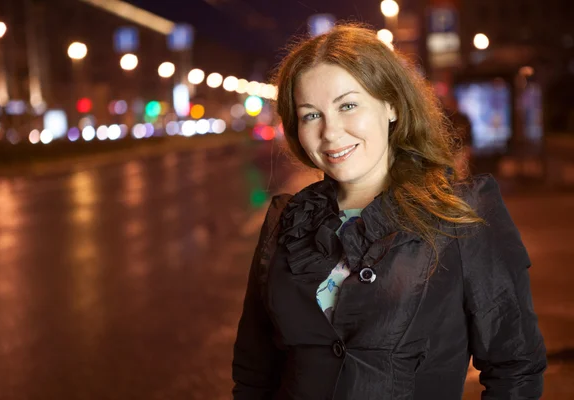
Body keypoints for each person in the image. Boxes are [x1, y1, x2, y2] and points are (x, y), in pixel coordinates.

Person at [232, 24, 546, 399]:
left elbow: (515, 368)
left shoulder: (462, 214)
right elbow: (254, 374)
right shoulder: (286, 223)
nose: (330, 132)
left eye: (348, 105)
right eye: (310, 115)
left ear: (391, 104)